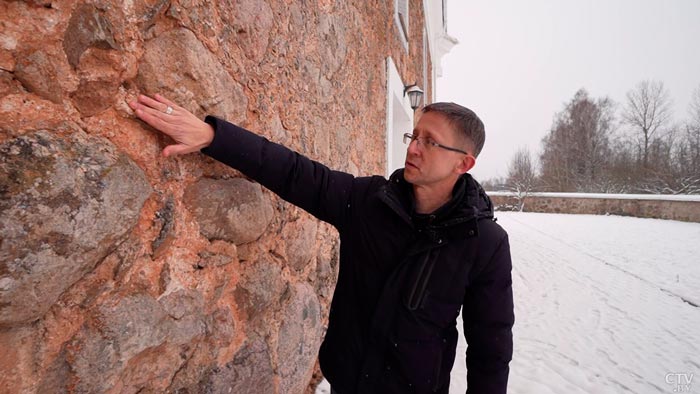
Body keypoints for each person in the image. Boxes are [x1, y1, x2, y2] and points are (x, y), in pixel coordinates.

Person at [129, 94, 514, 394]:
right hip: (347, 382)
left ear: (463, 164)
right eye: (415, 135)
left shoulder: (484, 243)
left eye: (431, 142)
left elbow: (490, 350)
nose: (414, 148)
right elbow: (295, 172)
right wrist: (213, 137)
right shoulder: (369, 203)